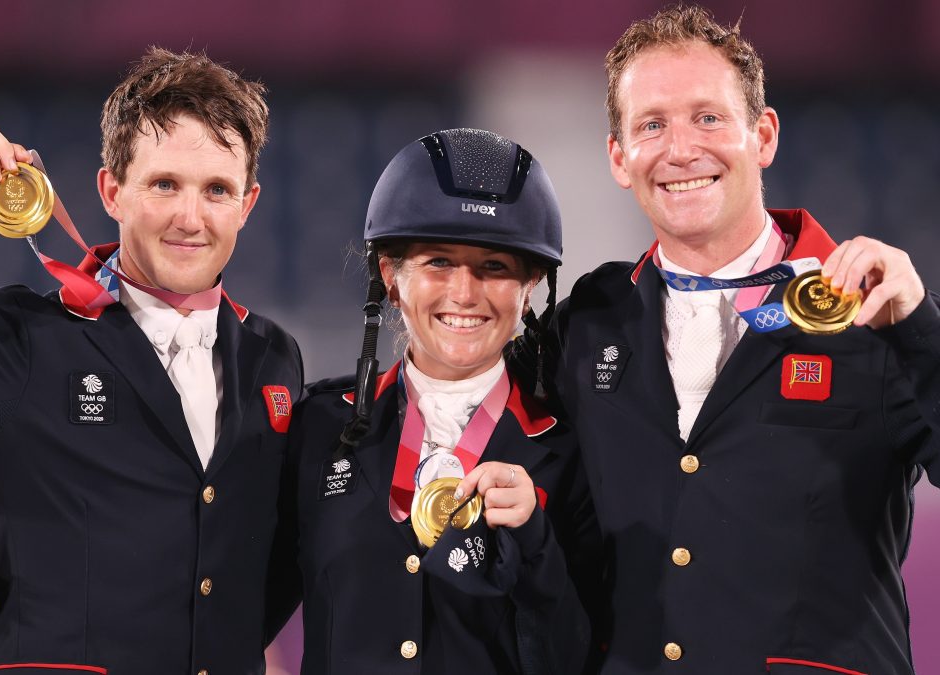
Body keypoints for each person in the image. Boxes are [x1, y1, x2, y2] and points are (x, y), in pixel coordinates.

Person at [0, 48, 302, 674]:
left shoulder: (272, 359)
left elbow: (264, 563)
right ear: (112, 190)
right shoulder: (23, 342)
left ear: (248, 205)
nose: (190, 217)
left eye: (217, 190)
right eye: (165, 184)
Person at [533, 5, 940, 673]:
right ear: (618, 156)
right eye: (652, 125)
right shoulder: (589, 323)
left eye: (709, 117)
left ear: (764, 134)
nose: (681, 149)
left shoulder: (873, 310)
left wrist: (920, 325)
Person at [283, 128, 599, 674]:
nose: (464, 292)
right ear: (392, 275)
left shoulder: (573, 449)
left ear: (530, 286)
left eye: (494, 267)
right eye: (438, 262)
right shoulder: (316, 427)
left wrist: (533, 540)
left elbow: (577, 658)